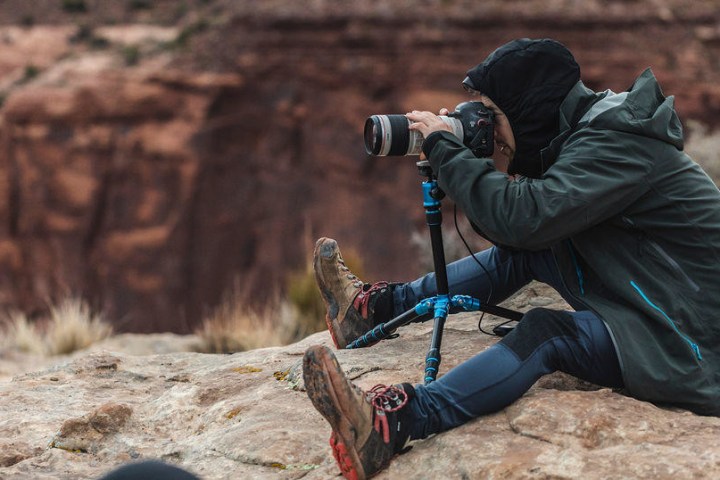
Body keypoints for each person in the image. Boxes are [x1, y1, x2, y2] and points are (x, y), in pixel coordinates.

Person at [302, 38, 720, 480]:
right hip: (660, 302)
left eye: (494, 116)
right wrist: (464, 160)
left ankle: (394, 424)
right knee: (527, 254)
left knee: (546, 331)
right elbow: (519, 231)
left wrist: (447, 151)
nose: (490, 129)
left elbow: (525, 218)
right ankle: (370, 314)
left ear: (530, 111)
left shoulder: (616, 142)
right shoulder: (587, 130)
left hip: (692, 340)